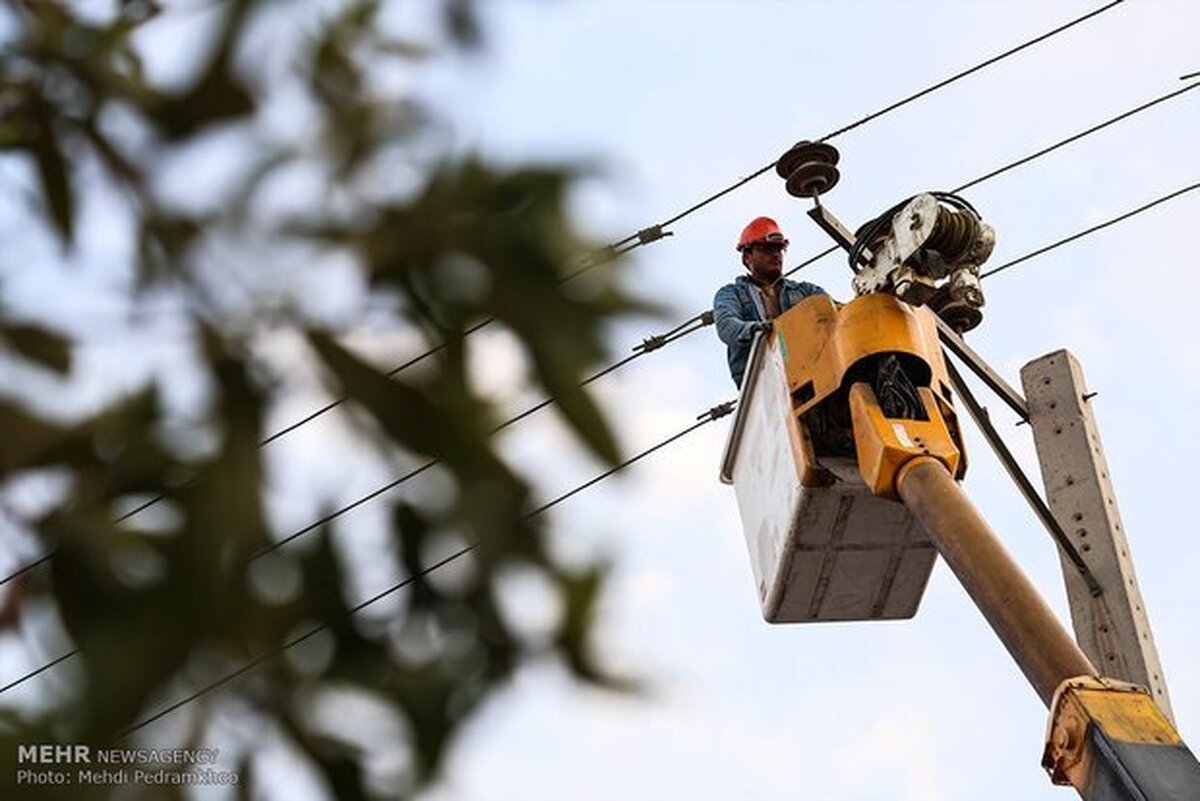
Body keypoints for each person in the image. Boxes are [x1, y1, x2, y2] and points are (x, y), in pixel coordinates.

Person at [713, 216, 827, 388]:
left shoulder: (805, 291)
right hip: (761, 384)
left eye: (779, 249)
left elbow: (832, 312)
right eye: (766, 249)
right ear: (747, 257)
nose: (775, 254)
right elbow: (727, 326)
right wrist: (755, 330)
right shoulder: (732, 294)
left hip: (810, 375)